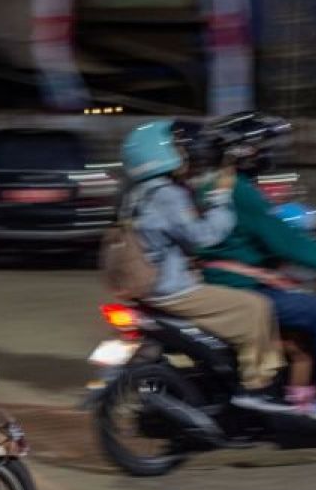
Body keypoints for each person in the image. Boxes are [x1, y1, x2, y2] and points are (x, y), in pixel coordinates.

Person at [195, 111, 316, 424]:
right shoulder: (242, 192)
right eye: (263, 146)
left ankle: (294, 399)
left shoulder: (210, 186)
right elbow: (287, 243)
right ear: (245, 150)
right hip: (243, 286)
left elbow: (256, 236)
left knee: (300, 323)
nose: (269, 153)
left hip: (219, 281)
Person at [123, 120, 292, 413]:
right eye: (178, 149)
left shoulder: (137, 194)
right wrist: (221, 199)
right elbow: (204, 237)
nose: (186, 156)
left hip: (147, 284)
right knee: (256, 306)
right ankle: (256, 387)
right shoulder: (167, 195)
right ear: (157, 154)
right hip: (172, 288)